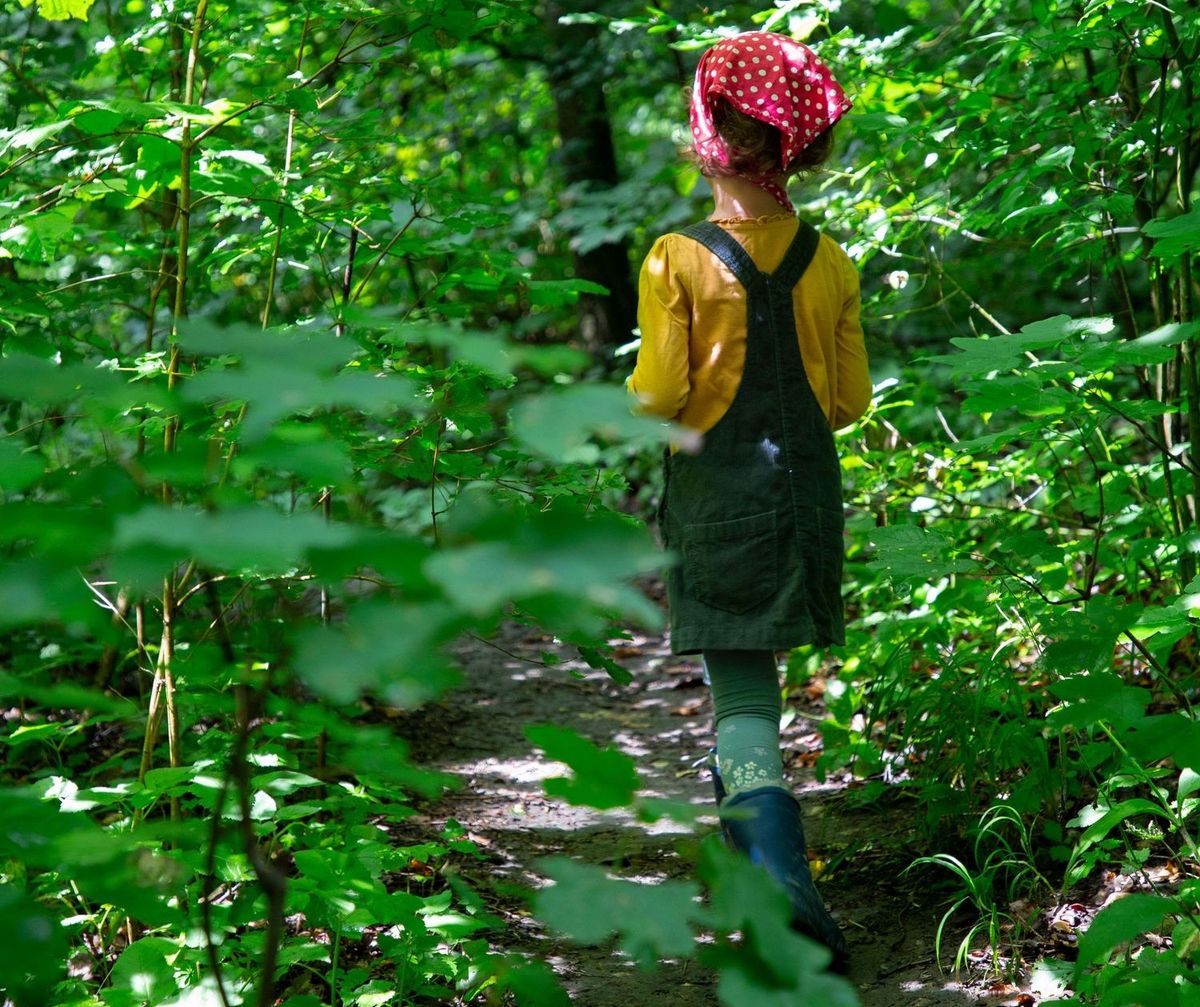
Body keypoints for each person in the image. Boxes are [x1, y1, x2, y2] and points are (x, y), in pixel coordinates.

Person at [627, 30, 871, 973]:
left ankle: (775, 889)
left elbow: (656, 397)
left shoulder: (674, 259)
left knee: (740, 698)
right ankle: (777, 881)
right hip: (805, 504)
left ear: (706, 132)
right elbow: (846, 403)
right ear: (794, 143)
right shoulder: (832, 260)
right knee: (761, 692)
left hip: (718, 504)